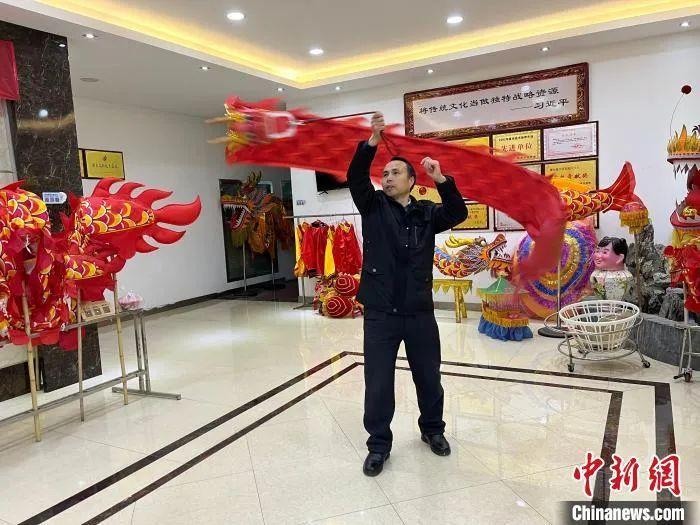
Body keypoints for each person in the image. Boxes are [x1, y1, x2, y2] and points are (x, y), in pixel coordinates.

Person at [347, 112, 468, 476]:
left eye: (395, 173)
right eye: (384, 174)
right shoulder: (373, 206)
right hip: (380, 313)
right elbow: (356, 177)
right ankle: (378, 445)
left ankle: (432, 430)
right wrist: (372, 142)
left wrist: (441, 179)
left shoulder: (426, 214)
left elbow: (458, 212)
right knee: (378, 383)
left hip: (418, 312)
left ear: (412, 181)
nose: (387, 178)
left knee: (429, 376)